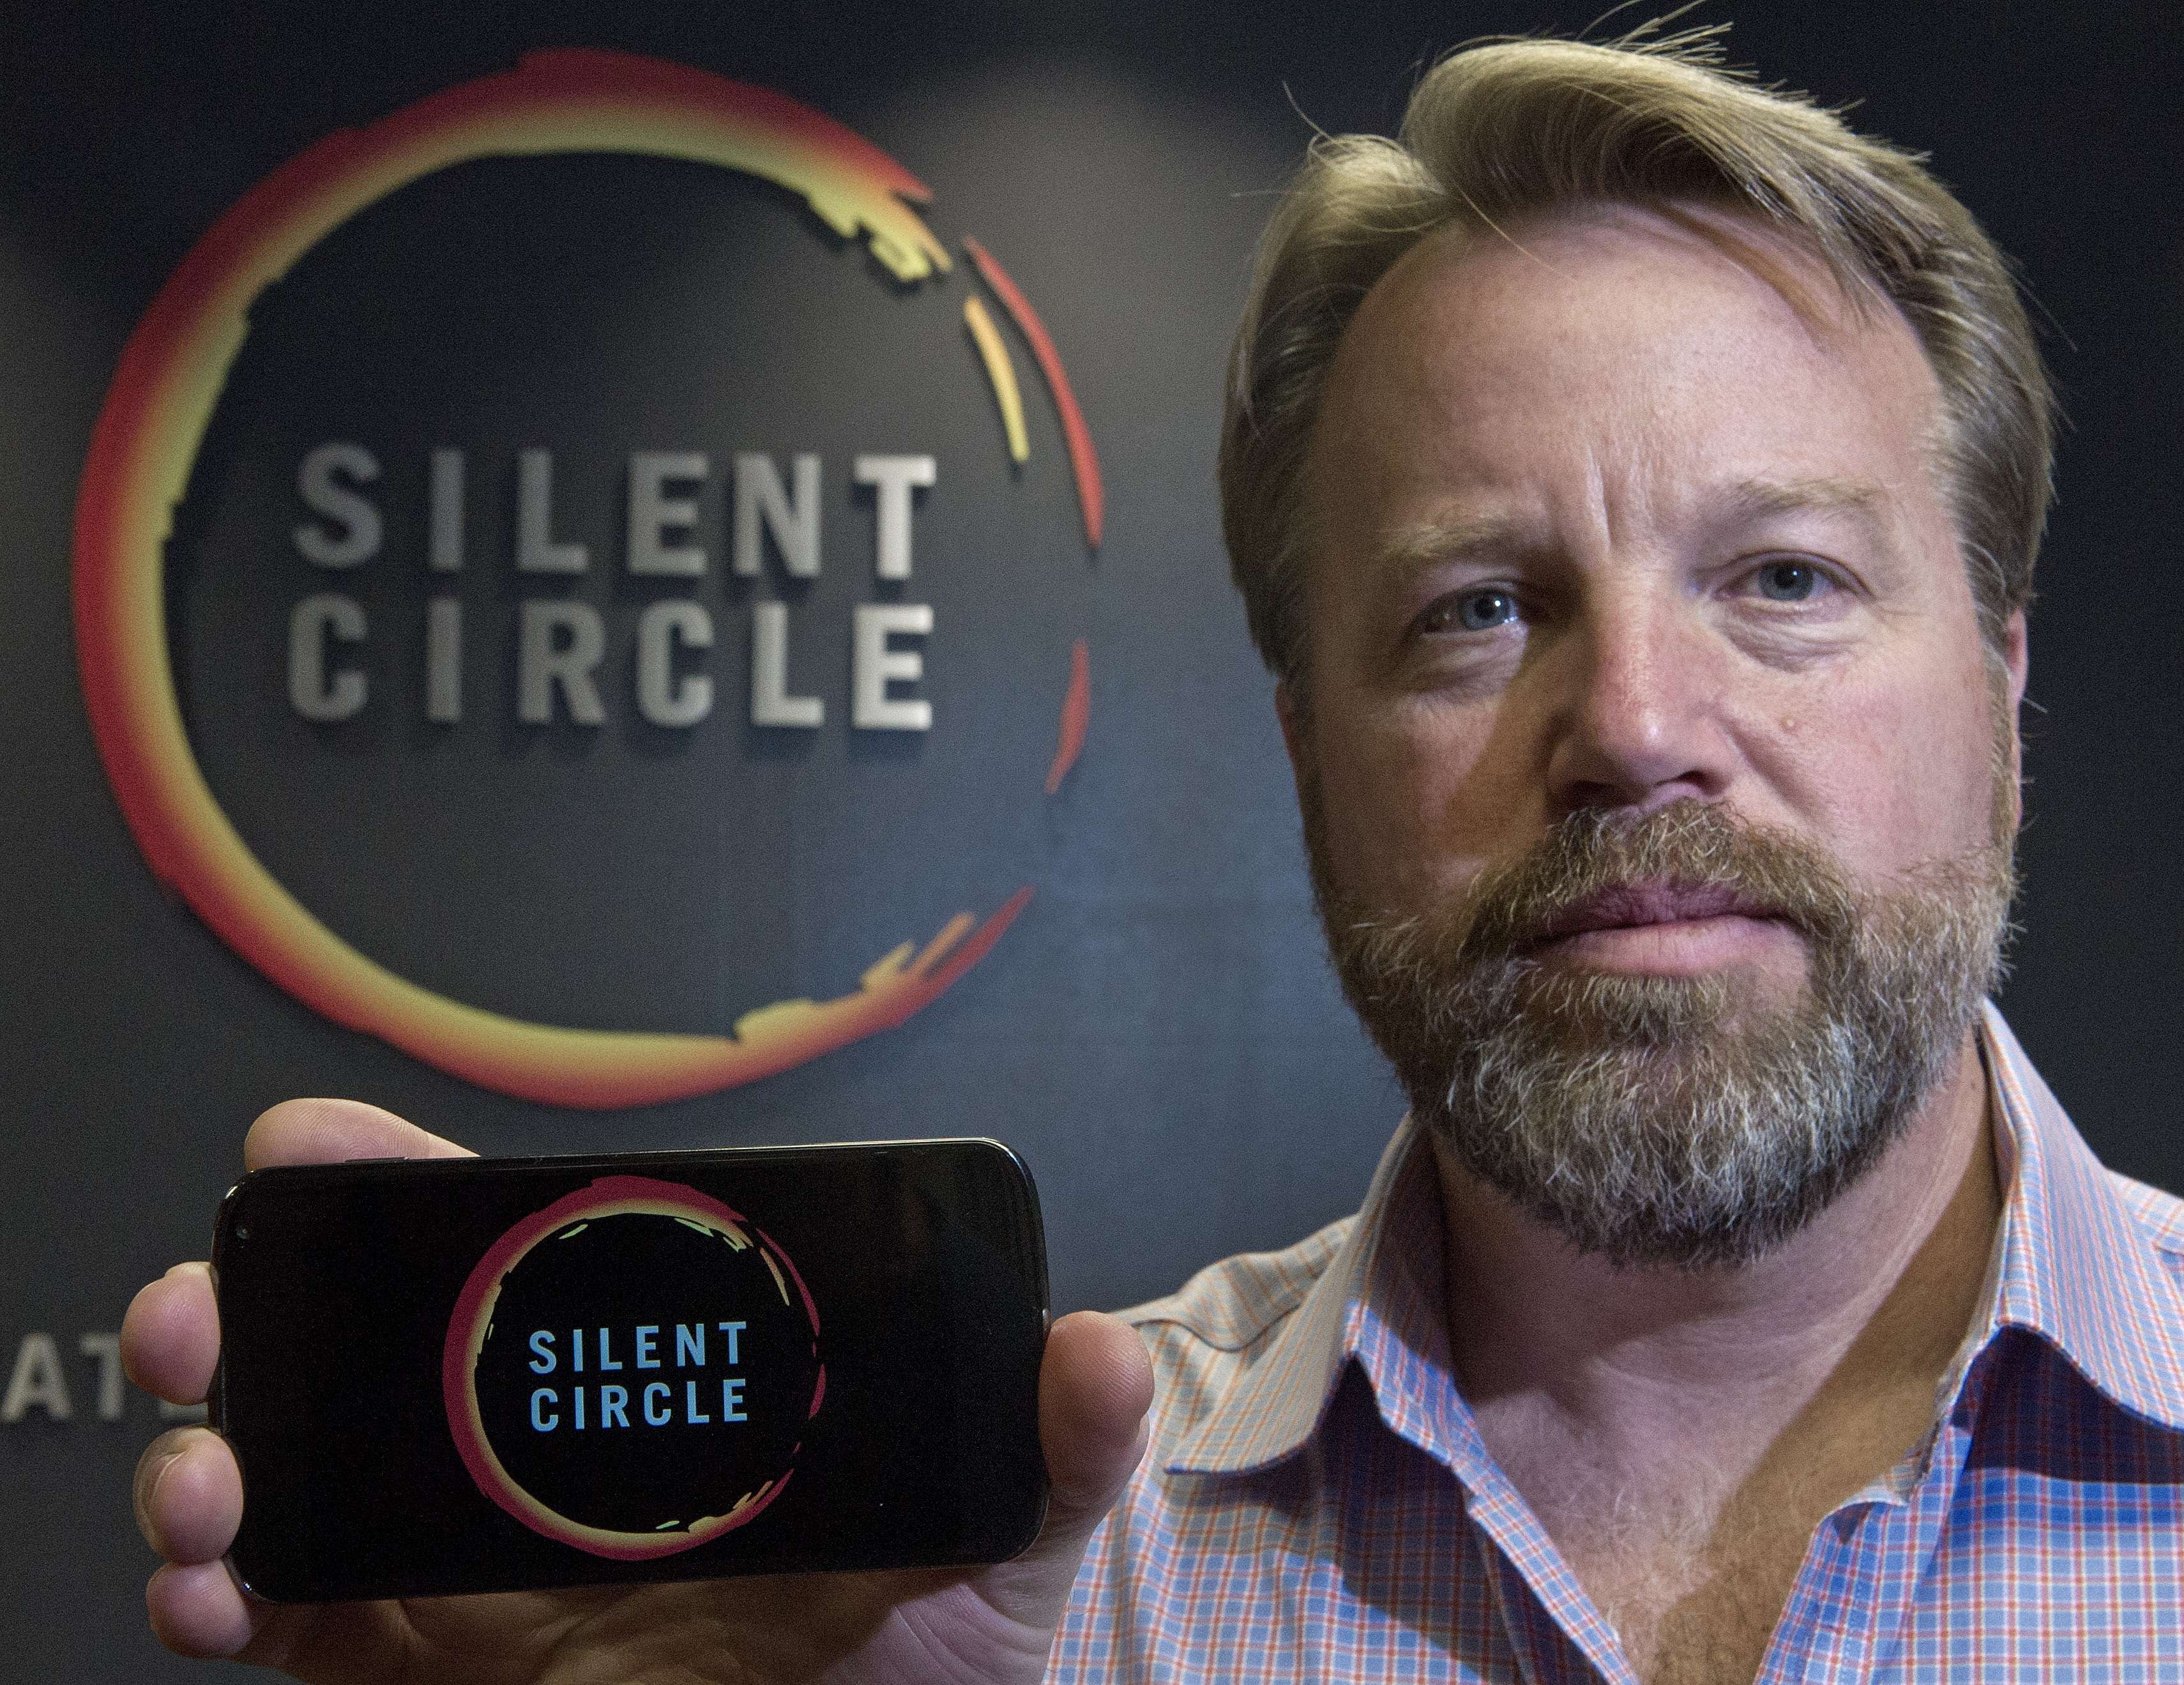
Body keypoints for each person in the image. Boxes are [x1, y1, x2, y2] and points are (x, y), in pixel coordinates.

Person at [123, 25, 2184, 1684]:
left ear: (1999, 687)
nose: (1635, 724)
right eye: (1477, 608)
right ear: (1304, 749)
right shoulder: (1012, 1590)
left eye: (1784, 579)